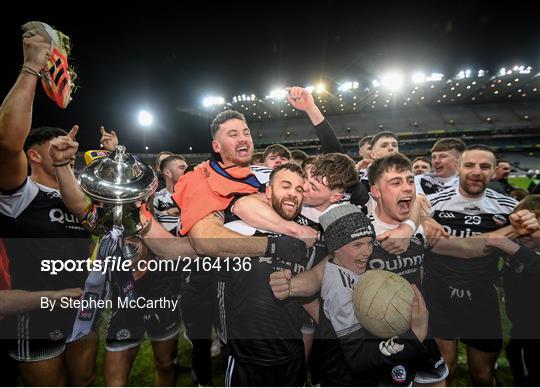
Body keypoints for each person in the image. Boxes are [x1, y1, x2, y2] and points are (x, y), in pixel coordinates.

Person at [0, 29, 97, 386]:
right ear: (34, 154)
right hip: (34, 312)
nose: (66, 149)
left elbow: (92, 221)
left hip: (82, 308)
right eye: (57, 146)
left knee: (84, 381)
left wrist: (64, 168)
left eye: (69, 145)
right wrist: (30, 68)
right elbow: (6, 145)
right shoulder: (20, 195)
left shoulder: (77, 193)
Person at [269, 204, 430, 386]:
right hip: (343, 377)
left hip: (373, 371)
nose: (368, 251)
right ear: (334, 249)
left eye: (370, 242)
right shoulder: (338, 285)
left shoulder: (347, 260)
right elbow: (358, 358)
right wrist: (413, 339)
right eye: (357, 245)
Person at [423, 144, 531, 386]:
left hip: (483, 297)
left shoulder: (508, 208)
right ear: (459, 168)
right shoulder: (432, 205)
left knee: (482, 374)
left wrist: (527, 222)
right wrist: (420, 217)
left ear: (493, 172)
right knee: (444, 369)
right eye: (470, 165)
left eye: (484, 166)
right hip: (439, 295)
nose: (476, 171)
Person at [220, 163, 313, 386]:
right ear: (268, 191)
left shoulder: (310, 236)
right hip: (248, 360)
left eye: (300, 189)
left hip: (293, 357)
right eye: (286, 185)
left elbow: (309, 300)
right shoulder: (238, 229)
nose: (293, 193)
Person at [484, 194, 540, 386]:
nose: (525, 234)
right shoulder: (518, 247)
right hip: (521, 332)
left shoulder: (520, 251)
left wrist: (513, 249)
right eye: (521, 231)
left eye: (533, 228)